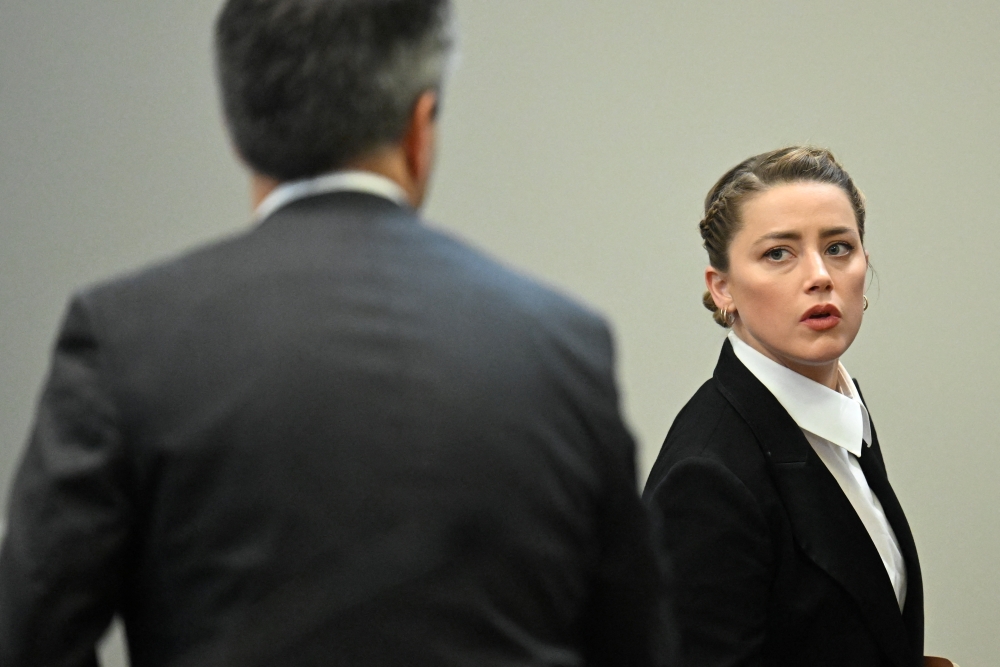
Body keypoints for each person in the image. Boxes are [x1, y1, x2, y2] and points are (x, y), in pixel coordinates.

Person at [0, 1, 668, 665]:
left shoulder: (124, 338)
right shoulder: (562, 344)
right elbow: (634, 641)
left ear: (241, 128)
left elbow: (30, 632)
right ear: (421, 125)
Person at [643, 146, 923, 667]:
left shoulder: (835, 406)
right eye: (779, 253)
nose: (820, 275)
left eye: (839, 247)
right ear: (722, 288)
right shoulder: (706, 478)